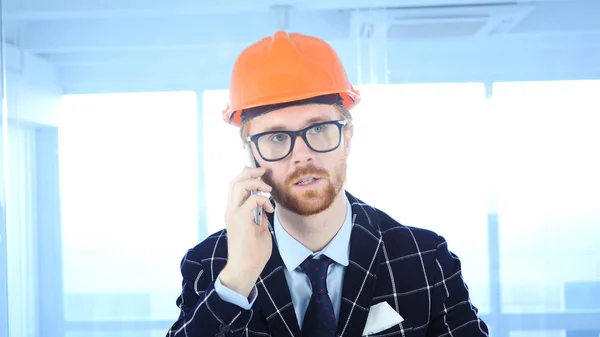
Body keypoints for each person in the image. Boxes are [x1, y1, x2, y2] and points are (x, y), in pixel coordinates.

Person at [166, 30, 489, 337]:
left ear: (347, 137)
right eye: (277, 137)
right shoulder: (212, 264)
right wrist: (238, 278)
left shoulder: (423, 258)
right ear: (251, 156)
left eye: (319, 129)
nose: (302, 155)